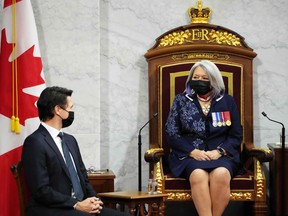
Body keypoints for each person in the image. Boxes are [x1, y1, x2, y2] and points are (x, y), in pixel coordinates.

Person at [22, 86, 129, 216]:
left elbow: (83, 177)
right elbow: (41, 190)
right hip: (52, 209)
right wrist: (76, 204)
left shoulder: (70, 140)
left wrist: (95, 200)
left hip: (79, 205)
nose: (72, 112)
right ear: (58, 110)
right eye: (70, 108)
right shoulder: (35, 142)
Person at [165, 60, 242, 216]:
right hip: (189, 155)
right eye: (196, 77)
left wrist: (220, 151)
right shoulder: (181, 100)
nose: (199, 81)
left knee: (221, 174)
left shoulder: (226, 101)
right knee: (198, 174)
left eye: (204, 78)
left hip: (221, 154)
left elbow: (235, 134)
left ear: (214, 80)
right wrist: (192, 152)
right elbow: (171, 132)